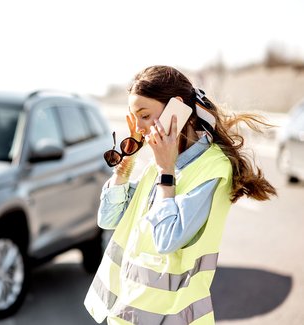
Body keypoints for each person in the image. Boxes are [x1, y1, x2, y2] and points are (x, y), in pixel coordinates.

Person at [84, 65, 277, 325]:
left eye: (144, 115)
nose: (138, 128)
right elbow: (108, 219)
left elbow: (166, 240)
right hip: (128, 316)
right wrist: (124, 170)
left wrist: (166, 171)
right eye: (134, 117)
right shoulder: (161, 160)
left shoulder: (211, 169)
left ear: (176, 108)